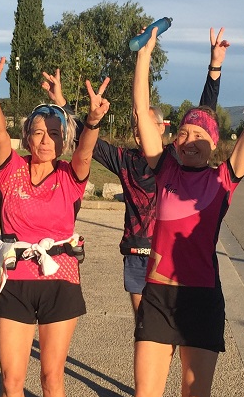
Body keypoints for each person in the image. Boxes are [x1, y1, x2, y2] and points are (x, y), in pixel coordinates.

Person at [131, 26, 244, 397]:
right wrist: (144, 56)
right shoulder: (164, 170)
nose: (190, 139)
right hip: (157, 293)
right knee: (145, 396)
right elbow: (141, 113)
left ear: (213, 145)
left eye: (200, 135)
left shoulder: (222, 179)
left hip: (200, 302)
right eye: (185, 133)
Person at [0, 52, 107, 397]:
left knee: (52, 376)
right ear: (27, 137)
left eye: (54, 134)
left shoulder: (71, 177)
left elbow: (86, 149)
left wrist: (89, 122)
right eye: (38, 132)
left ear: (62, 140)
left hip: (59, 283)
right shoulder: (9, 169)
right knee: (12, 377)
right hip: (16, 282)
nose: (46, 140)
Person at [41, 27, 228, 312]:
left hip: (170, 254)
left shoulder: (175, 159)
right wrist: (62, 104)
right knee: (144, 327)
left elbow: (203, 118)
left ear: (162, 130)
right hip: (137, 255)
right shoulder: (125, 160)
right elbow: (87, 136)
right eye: (136, 128)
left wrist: (214, 68)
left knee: (173, 329)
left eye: (147, 126)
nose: (140, 132)